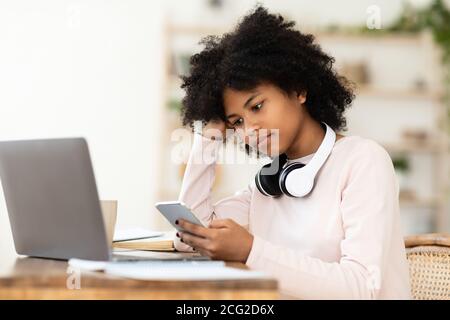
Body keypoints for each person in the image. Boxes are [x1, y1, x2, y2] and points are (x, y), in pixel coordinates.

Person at [172, 6, 411, 299]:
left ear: (298, 90)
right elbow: (191, 235)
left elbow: (362, 288)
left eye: (257, 106)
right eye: (237, 122)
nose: (249, 129)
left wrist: (251, 250)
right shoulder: (268, 183)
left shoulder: (363, 161)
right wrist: (207, 135)